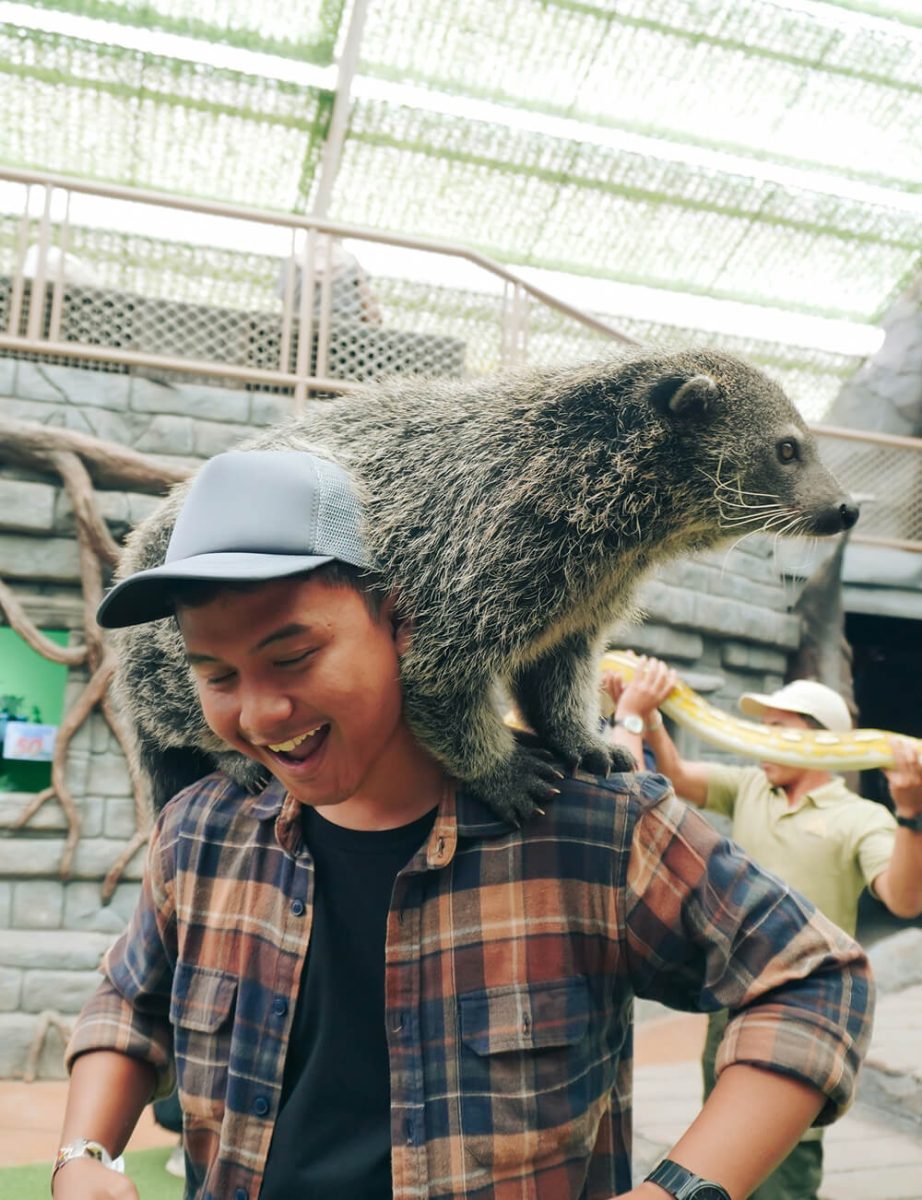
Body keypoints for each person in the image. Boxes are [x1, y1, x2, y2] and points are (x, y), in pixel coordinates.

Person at [52, 450, 874, 1200]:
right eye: (218, 675)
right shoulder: (201, 831)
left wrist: (678, 1194)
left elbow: (812, 980)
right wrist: (84, 1158)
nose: (261, 713)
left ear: (400, 619)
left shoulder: (595, 827)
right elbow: (129, 999)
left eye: (294, 657)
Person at [604, 654, 922, 1200]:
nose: (763, 739)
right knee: (722, 1146)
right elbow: (674, 779)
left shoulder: (859, 816)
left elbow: (904, 897)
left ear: (824, 743)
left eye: (780, 730)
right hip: (731, 997)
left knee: (785, 1165)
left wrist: (911, 813)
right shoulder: (752, 786)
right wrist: (651, 714)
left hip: (800, 1006)